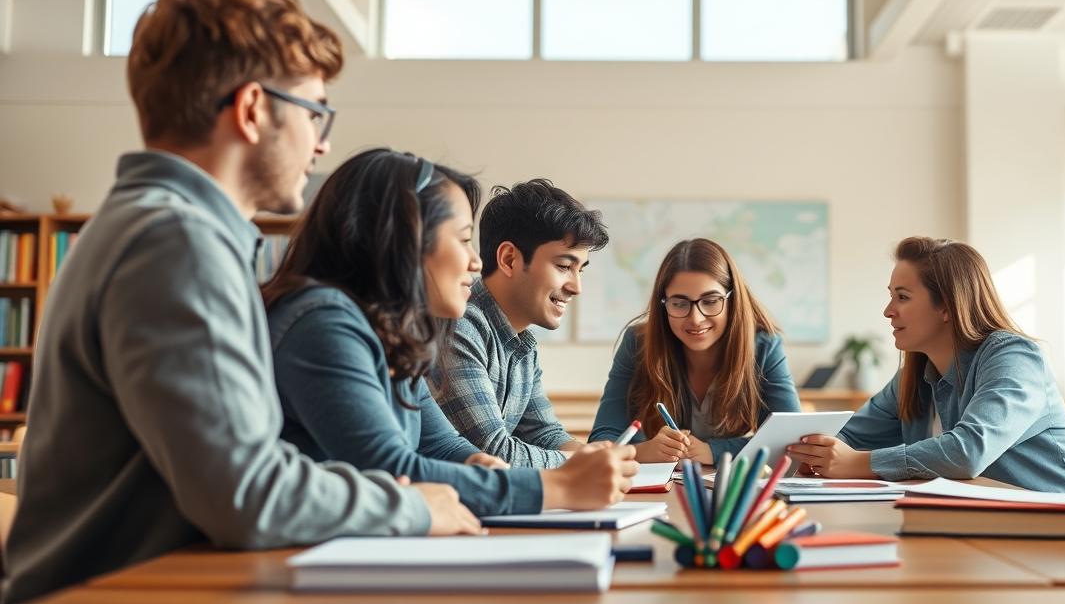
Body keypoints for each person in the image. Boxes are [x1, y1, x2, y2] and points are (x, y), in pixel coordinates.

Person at [2, 0, 478, 604]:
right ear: (253, 109)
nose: (322, 143)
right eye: (314, 112)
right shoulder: (177, 242)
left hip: (138, 600)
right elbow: (246, 493)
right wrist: (411, 505)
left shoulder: (154, 226)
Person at [262, 149, 636, 516]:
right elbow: (389, 467)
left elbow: (440, 445)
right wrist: (561, 486)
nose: (475, 261)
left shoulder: (392, 333)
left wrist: (476, 464)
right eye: (462, 239)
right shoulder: (325, 324)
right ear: (407, 240)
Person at [785, 237, 1065, 506]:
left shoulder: (1014, 357)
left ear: (946, 305)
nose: (888, 311)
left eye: (902, 297)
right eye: (891, 297)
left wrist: (859, 463)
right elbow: (849, 436)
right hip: (991, 525)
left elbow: (968, 452)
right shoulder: (914, 375)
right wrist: (817, 453)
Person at [434, 180, 608, 468]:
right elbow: (494, 452)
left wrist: (595, 457)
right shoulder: (458, 327)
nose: (576, 287)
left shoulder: (522, 342)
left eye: (580, 270)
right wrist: (581, 463)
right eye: (564, 266)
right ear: (509, 259)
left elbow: (544, 433)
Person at [589, 238, 801, 463]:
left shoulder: (764, 345)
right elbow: (602, 439)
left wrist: (713, 451)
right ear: (663, 305)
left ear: (732, 300)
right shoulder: (637, 342)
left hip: (730, 481)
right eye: (679, 304)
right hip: (661, 481)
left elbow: (789, 439)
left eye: (710, 301)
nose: (696, 319)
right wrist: (641, 451)